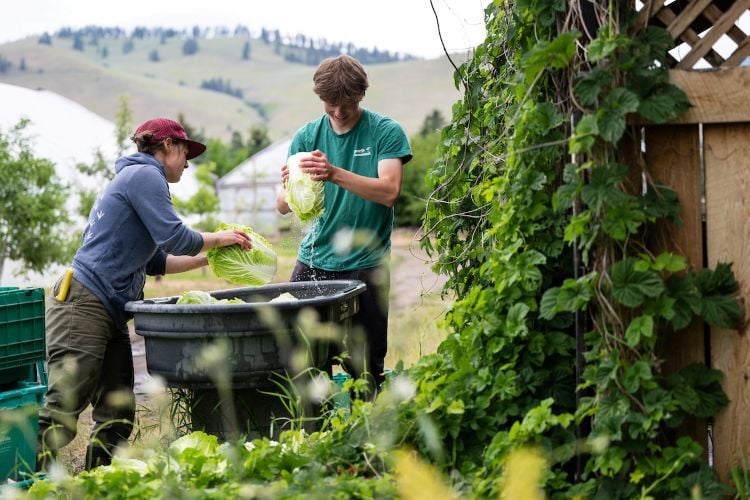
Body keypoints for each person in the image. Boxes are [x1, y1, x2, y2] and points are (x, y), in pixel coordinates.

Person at [37, 118, 253, 470]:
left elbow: (157, 261)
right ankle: (29, 483)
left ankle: (98, 480)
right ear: (167, 145)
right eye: (186, 152)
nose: (188, 162)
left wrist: (209, 256)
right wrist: (219, 237)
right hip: (84, 302)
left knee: (118, 409)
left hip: (108, 307)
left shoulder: (139, 178)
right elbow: (176, 237)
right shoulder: (145, 175)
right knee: (65, 403)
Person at [275, 55, 412, 396]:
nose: (338, 111)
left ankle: (363, 444)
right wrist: (288, 186)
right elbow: (280, 206)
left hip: (365, 268)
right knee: (304, 366)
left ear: (361, 96)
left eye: (347, 103)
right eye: (330, 104)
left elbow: (390, 191)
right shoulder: (307, 136)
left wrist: (334, 173)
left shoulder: (385, 131)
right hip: (313, 264)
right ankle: (313, 442)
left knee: (365, 371)